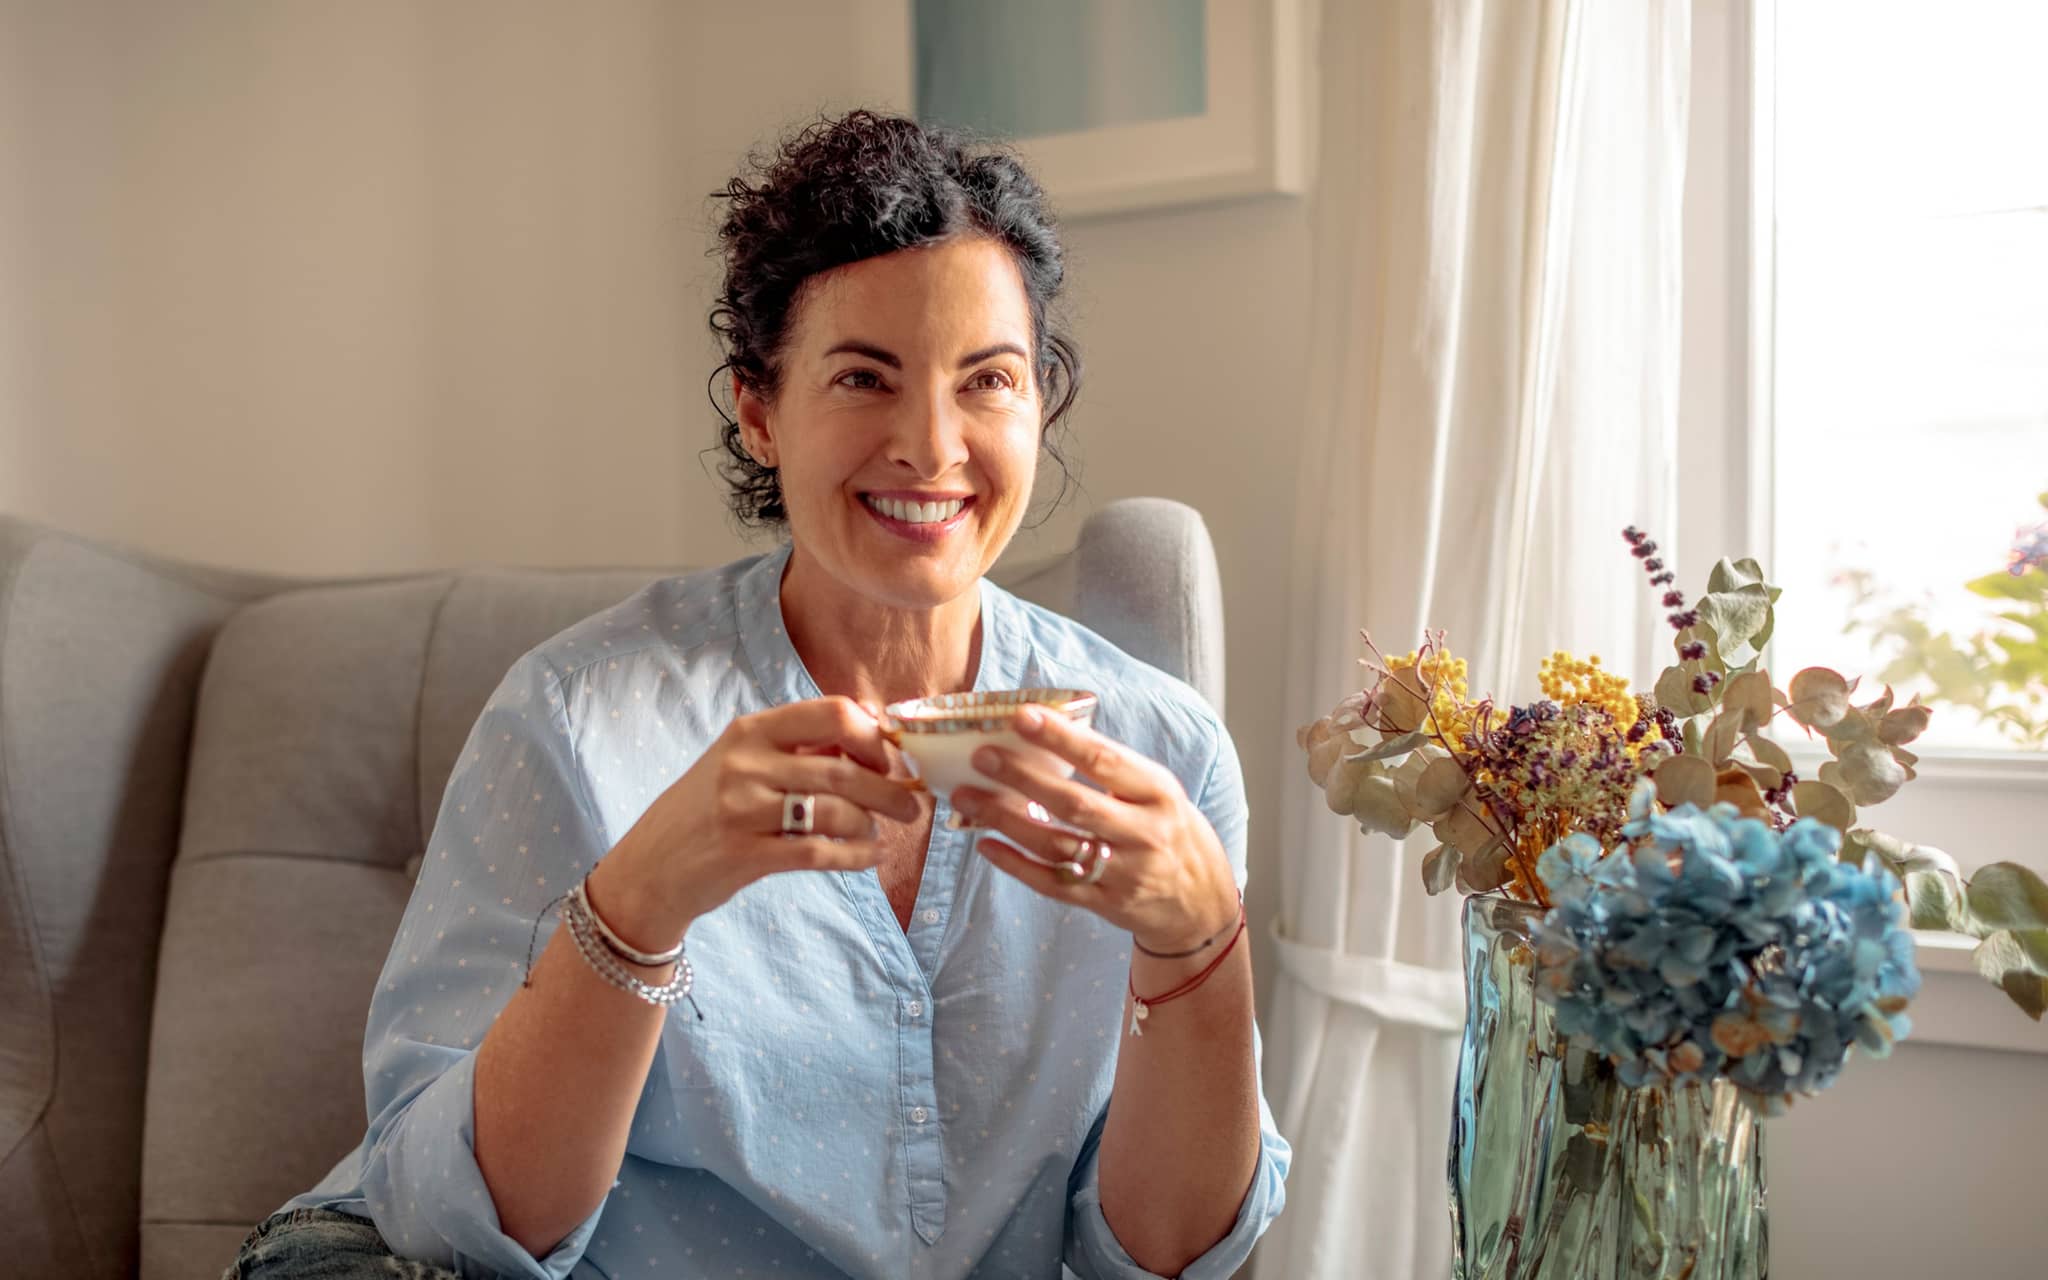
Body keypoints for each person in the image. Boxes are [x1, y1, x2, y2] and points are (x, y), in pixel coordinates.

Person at [225, 109, 1288, 1280]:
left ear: (1041, 401)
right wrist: (641, 896)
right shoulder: (577, 721)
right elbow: (460, 1223)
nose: (931, 447)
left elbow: (1162, 1254)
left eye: (986, 380)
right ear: (759, 409)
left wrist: (1202, 941)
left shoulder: (1165, 754)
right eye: (862, 377)